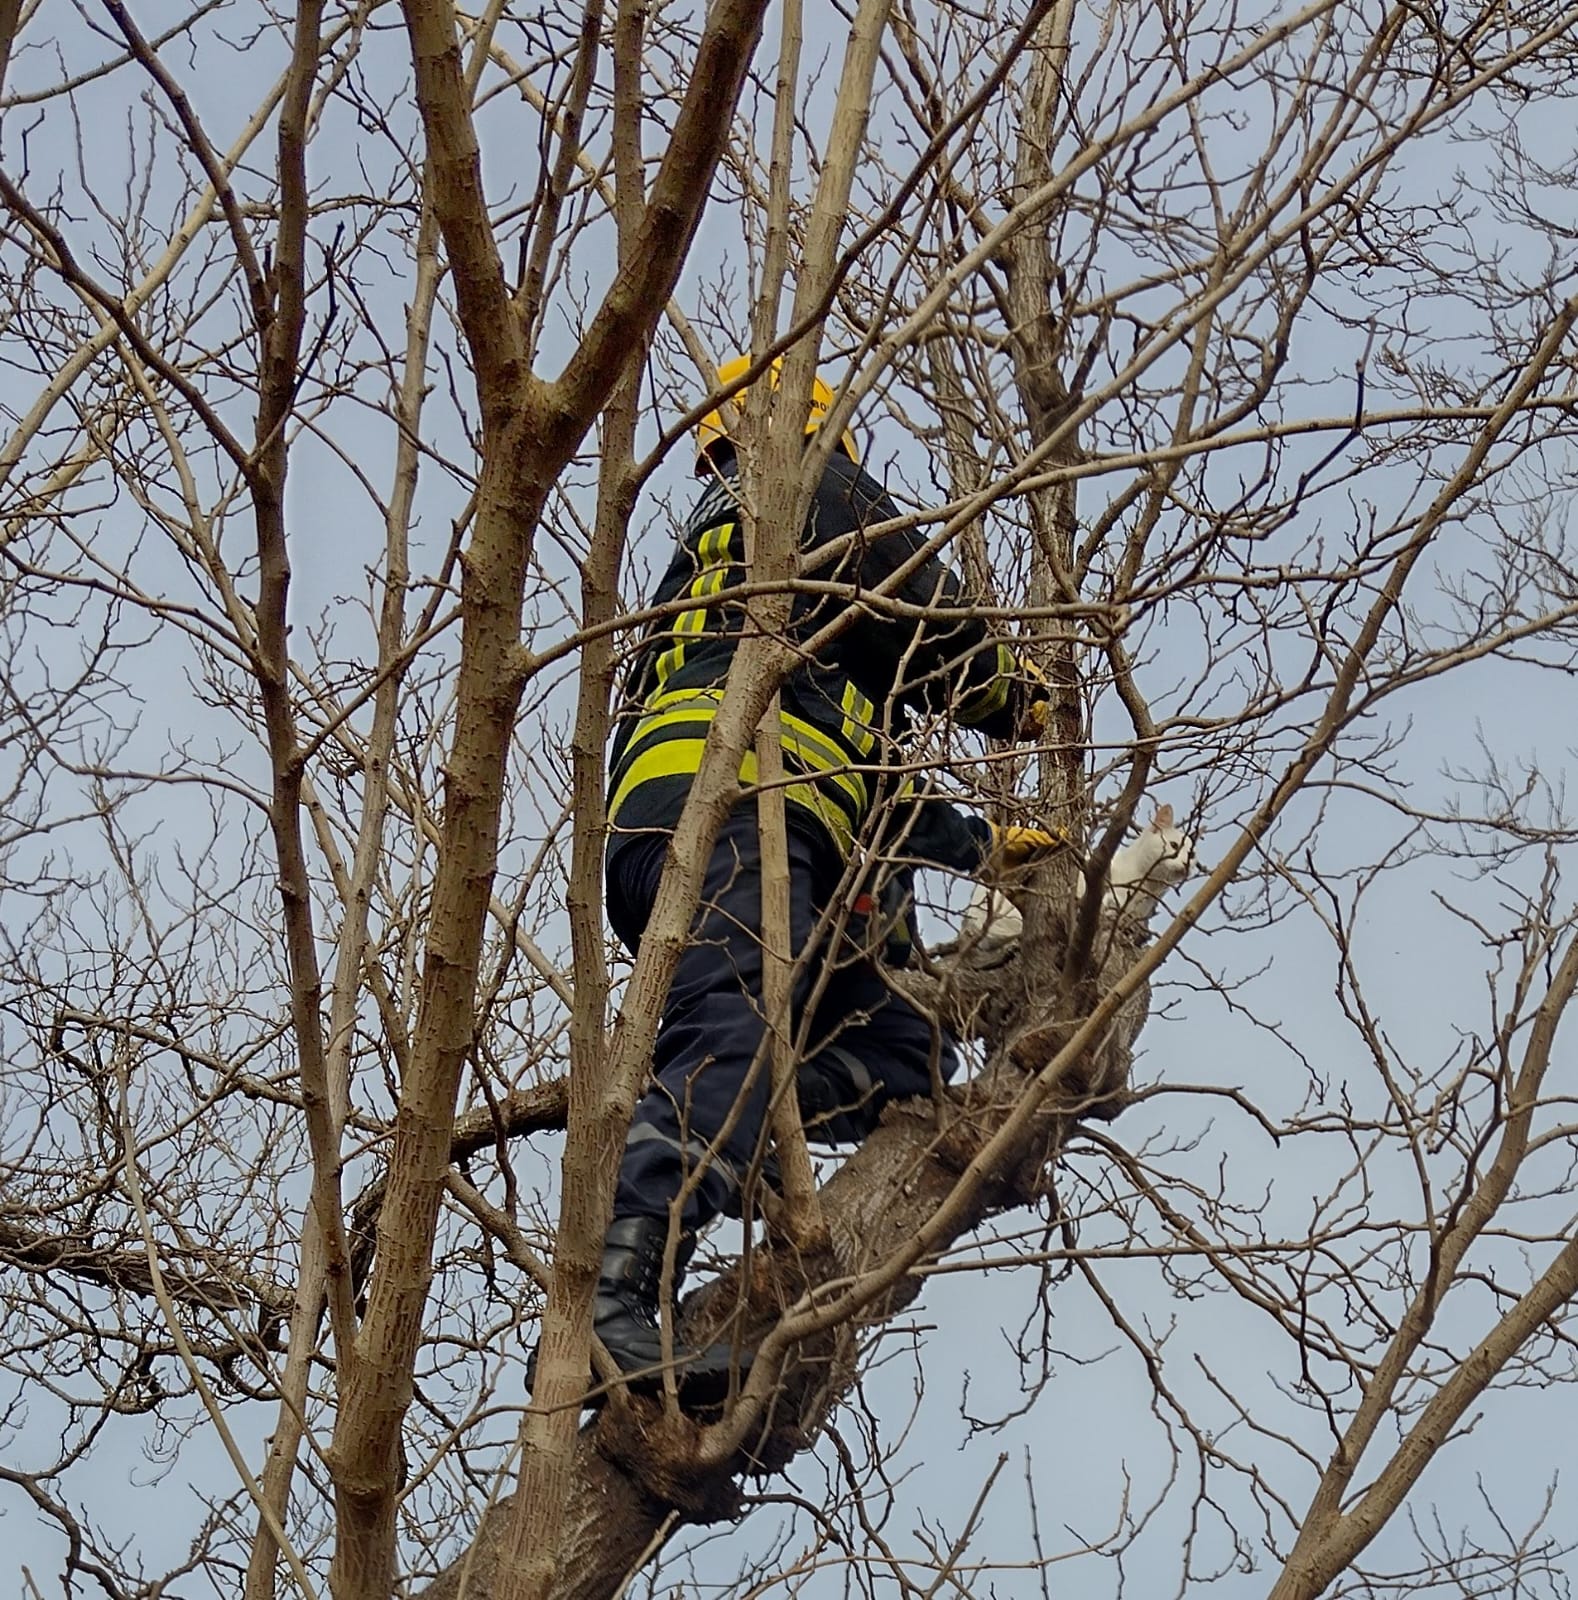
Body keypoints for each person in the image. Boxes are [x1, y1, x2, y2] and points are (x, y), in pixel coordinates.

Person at [573, 356, 1058, 1397]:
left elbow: (861, 770)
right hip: (730, 807)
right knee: (733, 1030)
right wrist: (1012, 689)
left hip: (735, 820)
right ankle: (617, 1304)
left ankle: (738, 1124)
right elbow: (927, 609)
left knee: (902, 1050)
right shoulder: (796, 484)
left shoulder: (780, 608)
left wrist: (979, 846)